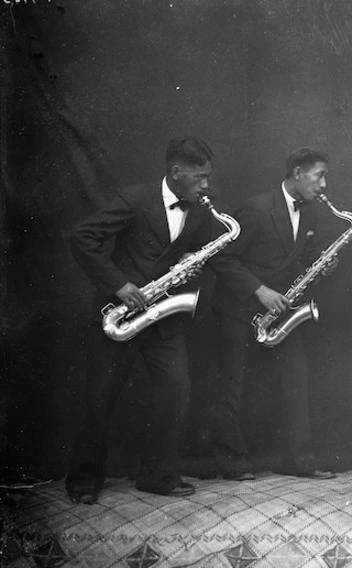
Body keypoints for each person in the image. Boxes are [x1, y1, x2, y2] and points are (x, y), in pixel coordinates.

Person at [66, 136, 219, 504]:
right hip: (119, 315)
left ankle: (157, 475)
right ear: (175, 172)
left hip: (163, 317)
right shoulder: (135, 199)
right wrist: (118, 284)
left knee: (176, 390)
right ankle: (84, 481)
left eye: (208, 177)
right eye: (199, 178)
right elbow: (83, 237)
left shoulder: (199, 211)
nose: (206, 185)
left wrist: (189, 266)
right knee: (100, 398)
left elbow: (204, 260)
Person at [209, 147, 338, 481]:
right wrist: (259, 291)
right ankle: (232, 463)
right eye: (319, 175)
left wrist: (320, 266)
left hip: (280, 313)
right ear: (297, 172)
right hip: (240, 309)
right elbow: (222, 258)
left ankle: (300, 461)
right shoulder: (255, 208)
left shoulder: (310, 211)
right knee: (233, 387)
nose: (324, 184)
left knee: (297, 377)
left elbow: (296, 257)